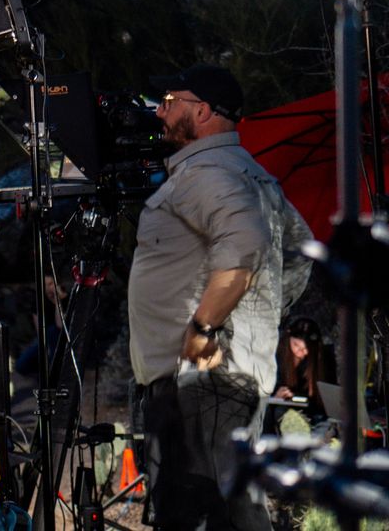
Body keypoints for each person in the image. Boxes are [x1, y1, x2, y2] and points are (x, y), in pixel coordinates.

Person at [129, 64, 313, 531]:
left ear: (204, 111)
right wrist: (258, 311)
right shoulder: (250, 174)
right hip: (218, 377)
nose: (160, 112)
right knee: (212, 508)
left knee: (212, 509)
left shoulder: (206, 173)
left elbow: (246, 243)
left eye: (171, 101)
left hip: (203, 378)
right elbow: (297, 253)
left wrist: (206, 327)